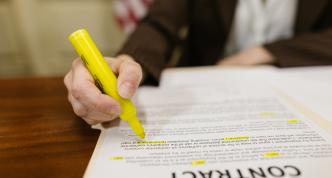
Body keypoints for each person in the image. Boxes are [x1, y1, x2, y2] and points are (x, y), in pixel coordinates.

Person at [64, 0, 332, 125]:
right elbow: (159, 24)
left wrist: (265, 52)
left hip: (300, 90)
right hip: (202, 94)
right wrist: (128, 61)